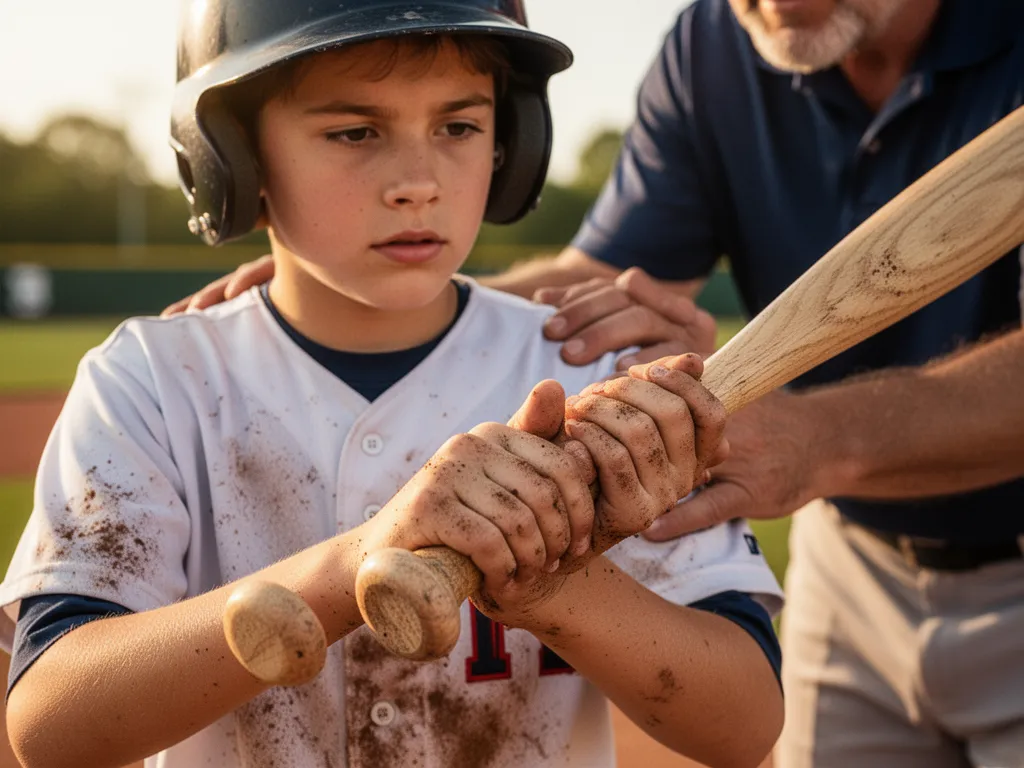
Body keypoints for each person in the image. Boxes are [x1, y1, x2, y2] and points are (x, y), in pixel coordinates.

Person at [175, 0, 1024, 765]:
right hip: (856, 560)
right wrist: (342, 296)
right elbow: (598, 280)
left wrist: (815, 437)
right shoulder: (718, 46)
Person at [0, 3, 785, 768]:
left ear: (512, 140)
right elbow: (52, 726)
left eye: (459, 126)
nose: (418, 181)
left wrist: (551, 579)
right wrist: (354, 570)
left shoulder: (587, 369)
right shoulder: (153, 380)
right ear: (233, 154)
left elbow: (744, 728)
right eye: (355, 131)